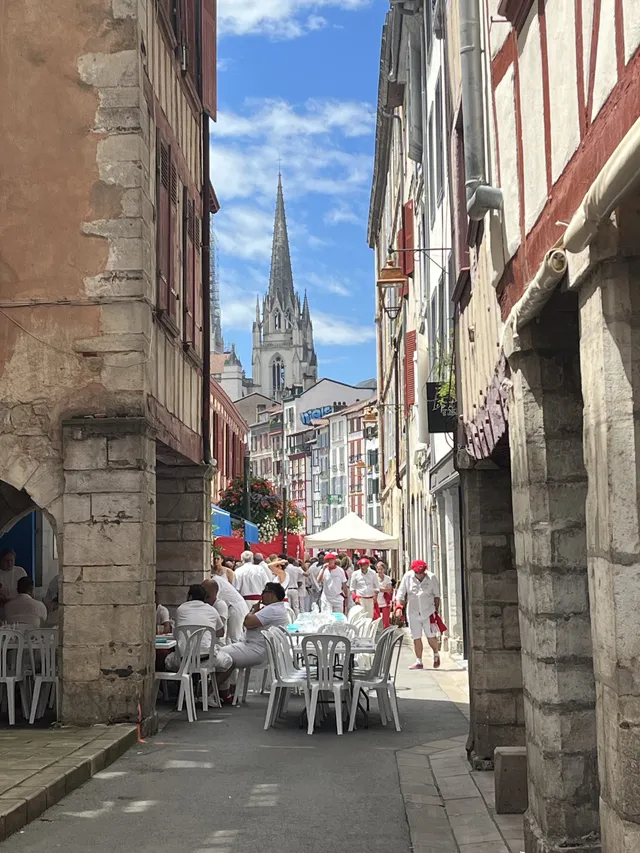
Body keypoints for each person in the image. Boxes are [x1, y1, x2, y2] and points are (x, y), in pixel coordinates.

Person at [217, 582, 289, 700]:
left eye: (264, 592)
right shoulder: (275, 608)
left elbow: (248, 623)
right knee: (223, 655)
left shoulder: (272, 610)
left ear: (272, 595)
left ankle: (214, 691)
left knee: (220, 655)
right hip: (255, 647)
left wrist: (252, 611)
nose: (261, 595)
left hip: (256, 649)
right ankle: (224, 690)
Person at [165, 584, 225, 671]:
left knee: (167, 661)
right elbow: (221, 633)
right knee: (230, 662)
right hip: (207, 659)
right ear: (205, 597)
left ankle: (181, 683)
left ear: (190, 596)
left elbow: (178, 631)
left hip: (183, 660)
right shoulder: (212, 610)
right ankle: (211, 684)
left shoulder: (180, 609)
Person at [395, 559, 442, 669]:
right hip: (413, 611)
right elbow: (401, 594)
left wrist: (436, 611)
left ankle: (436, 654)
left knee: (431, 636)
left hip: (428, 611)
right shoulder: (407, 577)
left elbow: (436, 596)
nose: (420, 575)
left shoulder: (432, 577)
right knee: (416, 636)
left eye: (422, 572)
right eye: (417, 573)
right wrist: (398, 608)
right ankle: (419, 661)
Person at [209, 561, 249, 642]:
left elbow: (213, 600)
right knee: (229, 638)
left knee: (235, 637)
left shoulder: (215, 581)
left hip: (235, 607)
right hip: (233, 606)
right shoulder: (215, 580)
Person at [0, 548, 27, 613]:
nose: (9, 563)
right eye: (6, 561)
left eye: (11, 560)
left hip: (19, 606)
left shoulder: (20, 571)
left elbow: (27, 590)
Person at [375, 561, 393, 628]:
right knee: (376, 620)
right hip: (376, 601)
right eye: (378, 569)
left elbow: (389, 589)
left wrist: (379, 589)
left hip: (385, 601)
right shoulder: (374, 577)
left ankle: (385, 633)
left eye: (381, 569)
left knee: (386, 621)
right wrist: (384, 589)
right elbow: (374, 588)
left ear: (384, 569)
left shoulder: (387, 578)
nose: (379, 571)